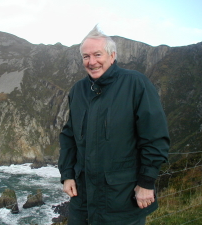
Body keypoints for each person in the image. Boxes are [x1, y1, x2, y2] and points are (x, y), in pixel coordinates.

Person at [58, 25, 170, 225]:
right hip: (82, 202)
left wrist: (146, 183)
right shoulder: (78, 90)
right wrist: (67, 175)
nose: (92, 62)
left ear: (112, 55)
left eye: (97, 54)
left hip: (121, 200)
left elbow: (155, 137)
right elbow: (69, 137)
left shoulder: (136, 84)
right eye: (86, 57)